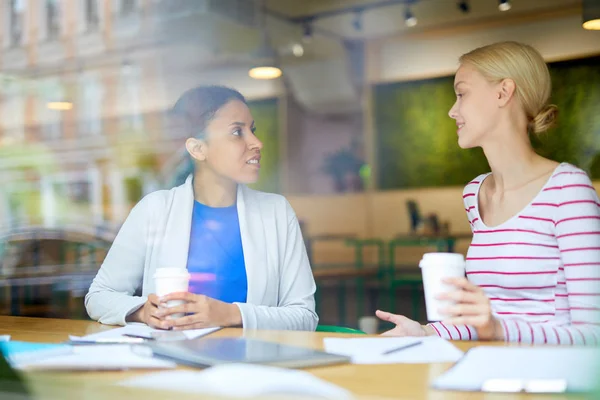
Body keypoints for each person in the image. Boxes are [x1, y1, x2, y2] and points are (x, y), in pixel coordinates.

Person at [376, 41, 600, 345]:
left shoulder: (568, 190)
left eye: (461, 93)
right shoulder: (475, 194)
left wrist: (498, 331)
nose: (452, 110)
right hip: (494, 373)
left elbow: (594, 335)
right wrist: (427, 331)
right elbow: (485, 321)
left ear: (503, 92)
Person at [85, 85, 318, 331]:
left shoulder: (277, 213)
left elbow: (304, 317)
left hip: (251, 363)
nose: (256, 143)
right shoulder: (154, 210)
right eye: (237, 132)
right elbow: (99, 296)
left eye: (253, 130)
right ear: (198, 148)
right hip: (173, 361)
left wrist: (230, 313)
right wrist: (143, 312)